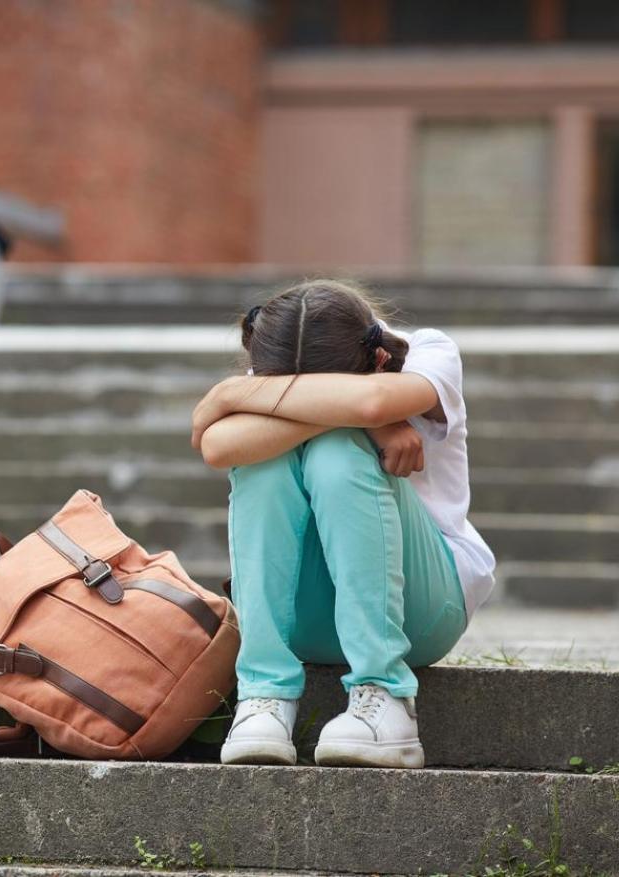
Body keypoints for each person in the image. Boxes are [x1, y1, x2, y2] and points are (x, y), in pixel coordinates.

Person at [191, 279, 495, 768]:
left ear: (377, 363)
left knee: (336, 450)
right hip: (310, 619)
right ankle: (263, 696)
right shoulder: (283, 358)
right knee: (260, 462)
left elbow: (372, 404)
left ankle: (386, 695)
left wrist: (235, 394)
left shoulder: (428, 352)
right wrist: (359, 415)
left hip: (423, 609)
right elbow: (218, 447)